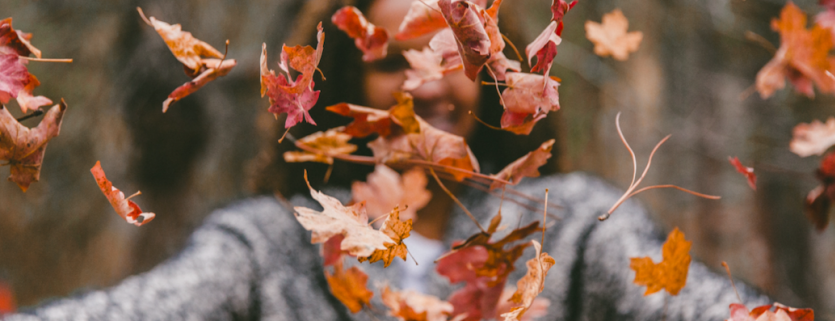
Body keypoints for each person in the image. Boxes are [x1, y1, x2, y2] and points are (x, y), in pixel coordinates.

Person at [5, 0, 768, 320]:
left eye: (444, 52)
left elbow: (700, 308)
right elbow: (142, 308)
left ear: (487, 68)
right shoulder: (273, 244)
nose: (418, 82)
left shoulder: (569, 226)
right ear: (344, 86)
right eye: (387, 62)